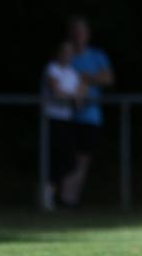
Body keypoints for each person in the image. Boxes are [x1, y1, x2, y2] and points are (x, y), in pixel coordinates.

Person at [63, 17, 113, 207]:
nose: (78, 36)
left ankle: (70, 197)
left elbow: (107, 78)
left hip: (90, 116)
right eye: (75, 31)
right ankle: (63, 195)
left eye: (81, 31)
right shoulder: (66, 54)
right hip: (66, 115)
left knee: (83, 158)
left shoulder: (96, 55)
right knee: (66, 157)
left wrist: (85, 78)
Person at [41, 42, 85, 210]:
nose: (67, 55)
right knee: (55, 156)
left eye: (70, 52)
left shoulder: (72, 73)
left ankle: (54, 192)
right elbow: (57, 92)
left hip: (68, 119)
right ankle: (48, 193)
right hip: (52, 118)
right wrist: (73, 95)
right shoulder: (52, 68)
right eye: (64, 51)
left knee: (69, 159)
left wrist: (74, 95)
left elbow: (80, 99)